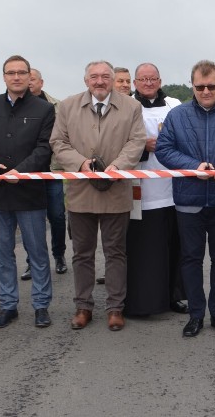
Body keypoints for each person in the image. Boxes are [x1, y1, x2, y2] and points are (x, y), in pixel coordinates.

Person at [155, 60, 215, 337]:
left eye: (211, 86)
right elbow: (164, 149)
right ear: (192, 86)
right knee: (191, 258)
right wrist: (192, 166)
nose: (206, 91)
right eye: (200, 87)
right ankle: (196, 314)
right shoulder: (178, 115)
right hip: (189, 199)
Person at [50, 60, 146, 331]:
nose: (100, 81)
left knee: (115, 252)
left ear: (113, 80)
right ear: (86, 80)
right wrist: (80, 163)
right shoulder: (67, 106)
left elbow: (137, 141)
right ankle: (83, 306)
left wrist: (118, 166)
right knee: (82, 253)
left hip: (116, 190)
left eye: (106, 76)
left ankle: (115, 307)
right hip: (81, 191)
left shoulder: (132, 107)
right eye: (94, 77)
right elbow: (58, 142)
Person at [0, 54, 55, 330]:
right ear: (4, 76)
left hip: (29, 192)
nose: (16, 77)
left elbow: (45, 148)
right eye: (11, 73)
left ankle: (41, 305)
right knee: (3, 252)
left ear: (30, 76)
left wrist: (22, 171)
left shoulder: (43, 109)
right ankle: (8, 306)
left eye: (21, 72)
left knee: (37, 252)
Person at [123, 62, 188, 316]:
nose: (148, 83)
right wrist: (142, 146)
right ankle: (143, 301)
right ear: (135, 83)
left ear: (160, 81)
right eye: (143, 79)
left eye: (153, 79)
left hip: (173, 189)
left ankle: (174, 296)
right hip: (140, 190)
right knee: (144, 249)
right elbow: (116, 141)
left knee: (174, 245)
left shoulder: (175, 105)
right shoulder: (127, 106)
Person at [17, 68, 67, 279]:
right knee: (29, 219)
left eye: (33, 79)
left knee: (56, 215)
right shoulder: (16, 106)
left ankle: (59, 255)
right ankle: (32, 261)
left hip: (52, 170)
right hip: (27, 170)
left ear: (41, 82)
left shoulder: (57, 106)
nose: (29, 83)